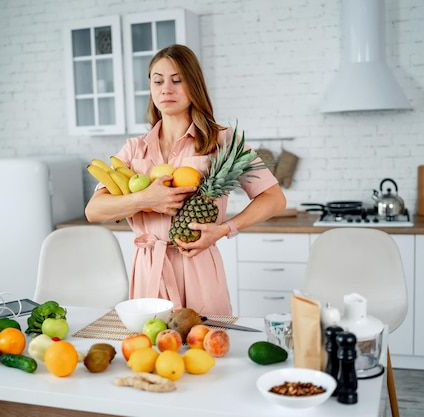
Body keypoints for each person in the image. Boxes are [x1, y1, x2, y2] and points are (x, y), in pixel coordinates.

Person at [85, 44, 286, 315]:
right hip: (149, 269)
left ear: (194, 85)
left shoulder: (222, 140)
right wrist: (145, 199)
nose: (166, 89)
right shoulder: (134, 149)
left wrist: (225, 229)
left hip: (199, 264)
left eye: (177, 80)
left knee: (207, 349)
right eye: (158, 81)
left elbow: (275, 199)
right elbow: (93, 211)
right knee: (151, 352)